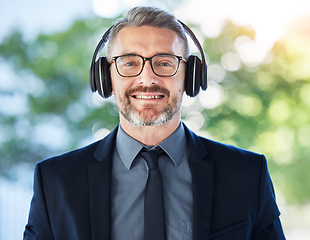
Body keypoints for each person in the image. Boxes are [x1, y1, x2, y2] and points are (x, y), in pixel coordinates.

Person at [23, 6, 286, 240]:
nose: (147, 78)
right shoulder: (56, 182)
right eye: (129, 63)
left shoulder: (248, 175)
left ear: (191, 76)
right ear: (106, 77)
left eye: (164, 63)